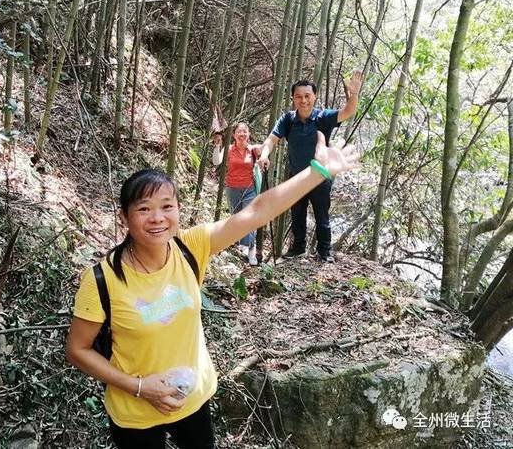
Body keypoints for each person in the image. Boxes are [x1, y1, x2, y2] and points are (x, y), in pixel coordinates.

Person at [66, 132, 359, 449]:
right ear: (124, 216)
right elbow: (78, 350)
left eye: (167, 206)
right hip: (134, 408)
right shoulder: (102, 279)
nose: (158, 218)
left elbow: (257, 210)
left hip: (192, 397)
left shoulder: (192, 247)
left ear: (178, 209)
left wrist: (318, 171)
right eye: (144, 209)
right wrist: (140, 387)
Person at [257, 71, 363, 262]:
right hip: (296, 176)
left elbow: (348, 112)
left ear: (314, 97)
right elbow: (271, 140)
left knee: (322, 215)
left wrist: (354, 94)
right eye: (298, 96)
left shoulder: (323, 117)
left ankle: (325, 252)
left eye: (307, 96)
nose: (303, 100)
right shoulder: (288, 119)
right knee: (297, 214)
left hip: (320, 176)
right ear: (293, 99)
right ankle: (298, 248)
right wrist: (264, 155)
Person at [211, 123, 261, 266]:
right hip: (232, 189)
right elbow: (216, 161)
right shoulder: (229, 149)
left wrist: (264, 155)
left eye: (245, 131)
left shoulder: (252, 150)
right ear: (234, 135)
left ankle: (248, 248)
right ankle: (248, 248)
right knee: (238, 219)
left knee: (249, 218)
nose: (242, 134)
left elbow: (264, 152)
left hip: (249, 189)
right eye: (239, 131)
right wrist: (217, 145)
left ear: (248, 134)